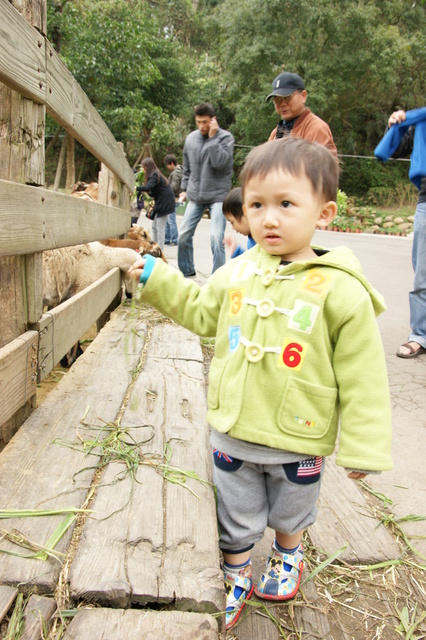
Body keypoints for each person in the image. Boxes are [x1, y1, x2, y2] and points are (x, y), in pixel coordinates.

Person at [128, 137, 392, 630]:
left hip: (299, 433)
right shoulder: (237, 272)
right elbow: (202, 314)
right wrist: (156, 277)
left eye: (286, 204)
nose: (269, 219)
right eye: (256, 205)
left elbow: (364, 374)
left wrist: (365, 446)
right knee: (235, 507)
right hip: (234, 425)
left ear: (325, 212)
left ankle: (287, 556)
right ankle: (237, 569)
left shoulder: (341, 288)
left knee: (293, 509)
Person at [375, 107, 426, 358]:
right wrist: (394, 124)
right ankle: (420, 335)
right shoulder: (422, 119)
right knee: (423, 276)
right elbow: (395, 149)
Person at [178, 103, 234, 277]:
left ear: (213, 120)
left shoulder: (226, 138)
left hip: (218, 195)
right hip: (195, 194)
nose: (201, 126)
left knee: (216, 238)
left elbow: (219, 163)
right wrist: (184, 189)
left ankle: (217, 278)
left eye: (205, 122)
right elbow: (186, 168)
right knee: (183, 236)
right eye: (198, 122)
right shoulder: (190, 139)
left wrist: (212, 138)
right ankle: (187, 273)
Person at [266, 72, 337, 157]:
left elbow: (327, 167)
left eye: (287, 97)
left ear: (303, 96)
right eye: (277, 100)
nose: (282, 104)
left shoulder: (317, 128)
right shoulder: (275, 133)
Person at [136, 158, 176, 250]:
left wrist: (137, 188)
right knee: (154, 226)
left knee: (159, 226)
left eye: (144, 167)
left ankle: (159, 249)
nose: (143, 169)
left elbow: (149, 187)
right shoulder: (155, 174)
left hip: (165, 203)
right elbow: (152, 191)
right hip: (161, 202)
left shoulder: (154, 174)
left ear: (148, 167)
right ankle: (153, 245)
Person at [223, 187, 256, 259]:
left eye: (232, 222)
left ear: (245, 213)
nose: (233, 228)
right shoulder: (253, 239)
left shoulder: (262, 241)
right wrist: (236, 251)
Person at [163, 154, 183, 246]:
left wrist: (165, 189)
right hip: (174, 198)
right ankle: (167, 238)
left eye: (167, 164)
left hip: (173, 198)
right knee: (168, 219)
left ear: (171, 163)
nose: (167, 167)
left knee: (171, 219)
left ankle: (175, 239)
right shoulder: (179, 171)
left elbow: (174, 187)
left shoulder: (176, 173)